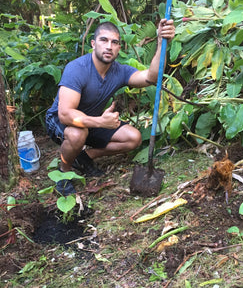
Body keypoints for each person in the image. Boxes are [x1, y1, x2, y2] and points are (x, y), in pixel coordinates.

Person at [45, 18, 175, 195]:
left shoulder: (119, 71)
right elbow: (66, 115)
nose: (109, 46)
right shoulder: (77, 69)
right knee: (78, 133)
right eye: (103, 40)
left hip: (93, 121)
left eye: (114, 42)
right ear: (93, 43)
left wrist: (161, 42)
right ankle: (64, 172)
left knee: (133, 138)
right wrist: (100, 122)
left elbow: (151, 77)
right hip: (61, 123)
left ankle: (85, 157)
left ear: (119, 48)